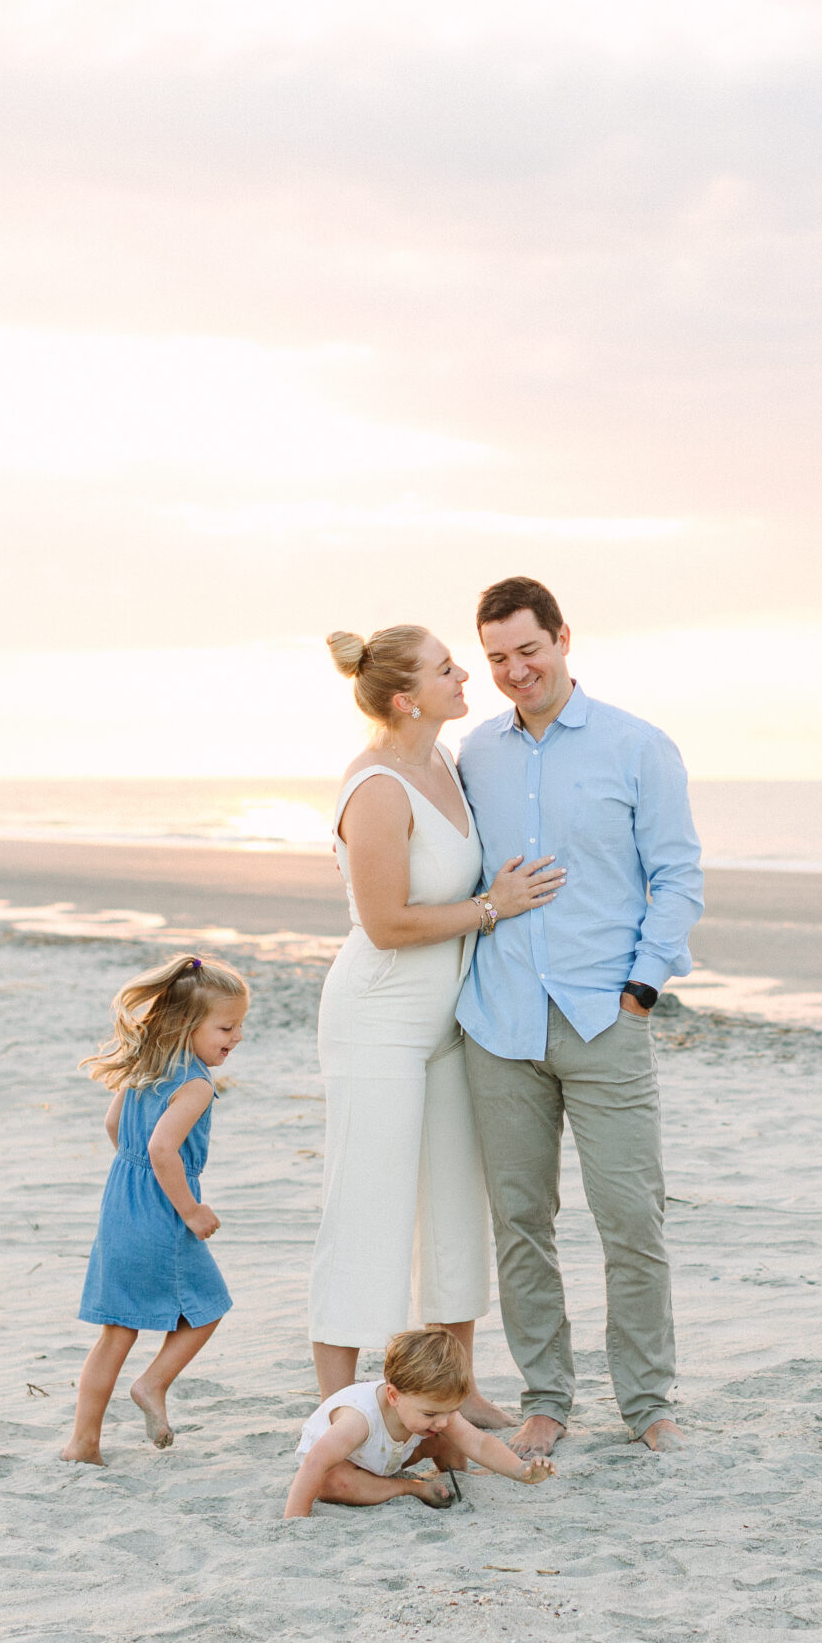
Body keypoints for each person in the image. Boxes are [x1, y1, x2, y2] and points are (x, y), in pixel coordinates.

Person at [457, 577, 704, 1459]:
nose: (515, 671)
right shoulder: (473, 754)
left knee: (631, 1218)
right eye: (496, 659)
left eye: (529, 650)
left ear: (564, 637)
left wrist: (641, 989)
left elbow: (677, 876)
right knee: (521, 1221)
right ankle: (546, 1397)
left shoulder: (638, 746)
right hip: (499, 1022)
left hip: (606, 1017)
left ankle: (648, 1404)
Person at [311, 625, 566, 1419]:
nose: (466, 677)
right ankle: (340, 1402)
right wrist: (494, 908)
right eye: (446, 669)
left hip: (448, 1021)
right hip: (378, 1019)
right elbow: (385, 922)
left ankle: (456, 1387)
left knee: (457, 1202)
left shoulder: (443, 763)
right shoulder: (377, 786)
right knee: (368, 1203)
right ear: (404, 697)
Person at [61, 953, 248, 1466]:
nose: (235, 1038)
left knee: (116, 1332)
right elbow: (165, 1150)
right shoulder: (195, 1084)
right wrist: (190, 1210)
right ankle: (152, 1383)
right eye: (226, 1027)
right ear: (188, 1024)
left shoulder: (146, 1066)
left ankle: (83, 1443)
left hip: (121, 1204)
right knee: (208, 1308)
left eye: (239, 1028)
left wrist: (133, 1175)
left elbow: (114, 1127)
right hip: (163, 1214)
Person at [284, 1328, 557, 1517]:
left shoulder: (432, 1410)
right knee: (334, 1483)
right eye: (430, 1414)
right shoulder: (358, 1419)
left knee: (449, 1434)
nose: (440, 1420)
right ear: (393, 1396)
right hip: (346, 1463)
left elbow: (480, 1443)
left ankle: (456, 1472)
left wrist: (521, 1471)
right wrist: (295, 1517)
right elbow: (315, 1463)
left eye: (449, 1410)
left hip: (390, 1456)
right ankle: (411, 1488)